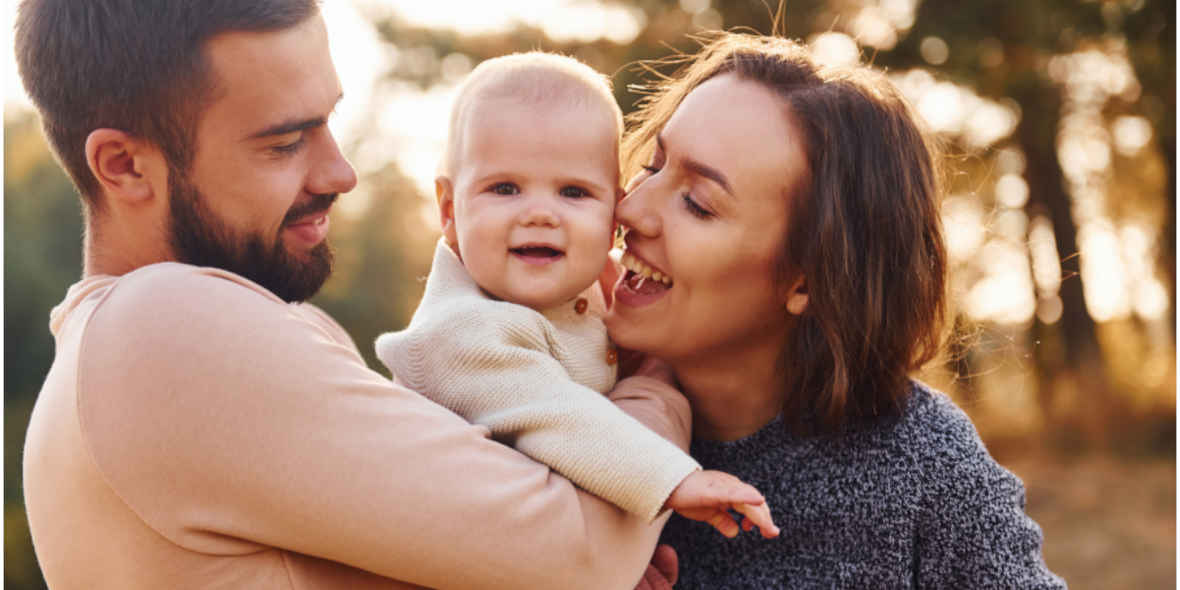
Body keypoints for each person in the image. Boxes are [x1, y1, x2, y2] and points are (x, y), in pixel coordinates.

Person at [16, 1, 690, 588]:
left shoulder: (154, 347)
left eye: (328, 122)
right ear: (125, 166)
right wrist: (654, 386)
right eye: (283, 143)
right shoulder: (161, 327)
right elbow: (576, 554)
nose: (341, 172)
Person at [604, 34, 1068, 588]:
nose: (630, 208)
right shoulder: (547, 400)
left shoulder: (924, 468)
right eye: (653, 166)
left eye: (698, 204)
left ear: (807, 279)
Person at [375, 52, 778, 537]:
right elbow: (561, 420)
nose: (541, 214)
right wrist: (675, 481)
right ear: (448, 212)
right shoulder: (461, 332)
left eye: (573, 193)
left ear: (613, 217)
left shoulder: (588, 293)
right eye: (504, 188)